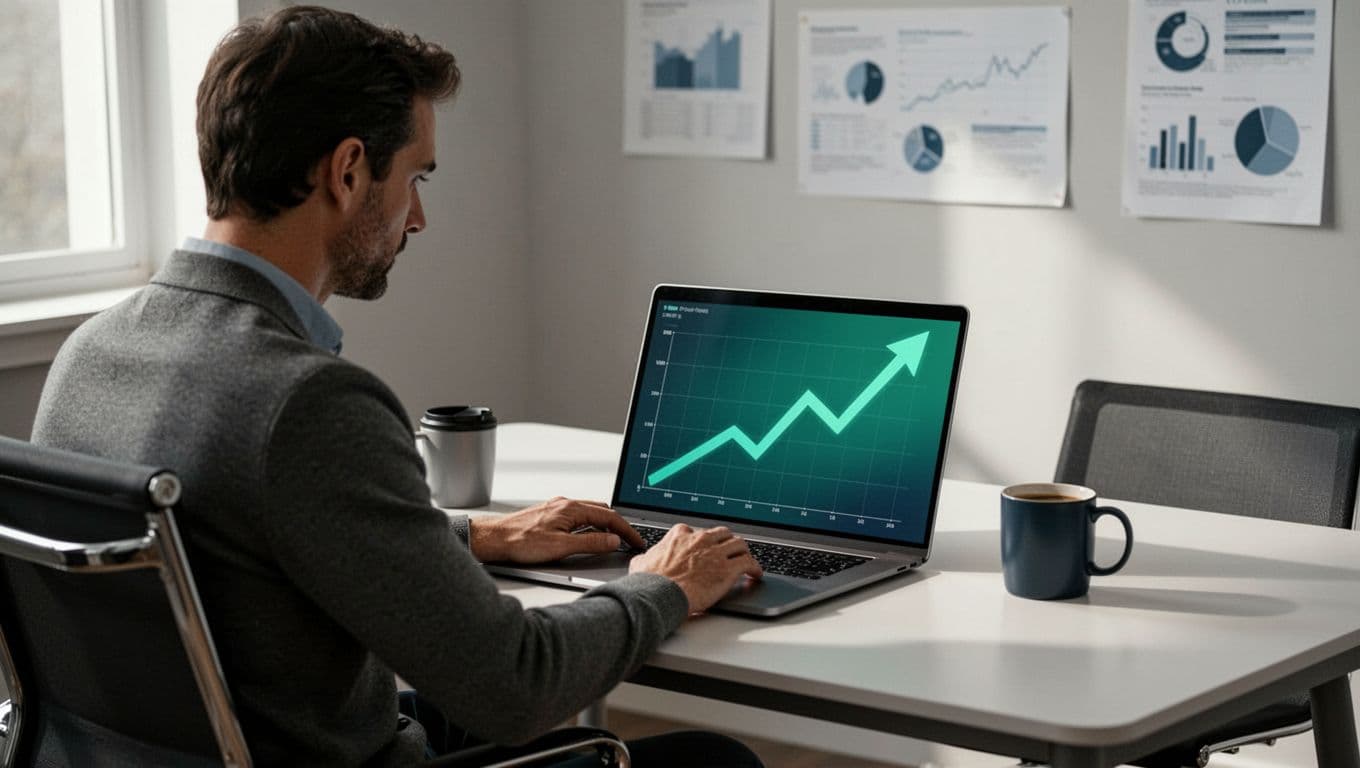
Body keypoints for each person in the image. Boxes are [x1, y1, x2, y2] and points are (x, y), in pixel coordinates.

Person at [32, 6, 764, 766]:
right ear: (348, 171)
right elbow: (517, 685)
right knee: (714, 759)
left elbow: (240, 546)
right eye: (415, 178)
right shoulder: (308, 403)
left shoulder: (90, 353)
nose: (418, 217)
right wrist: (663, 585)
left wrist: (473, 537)